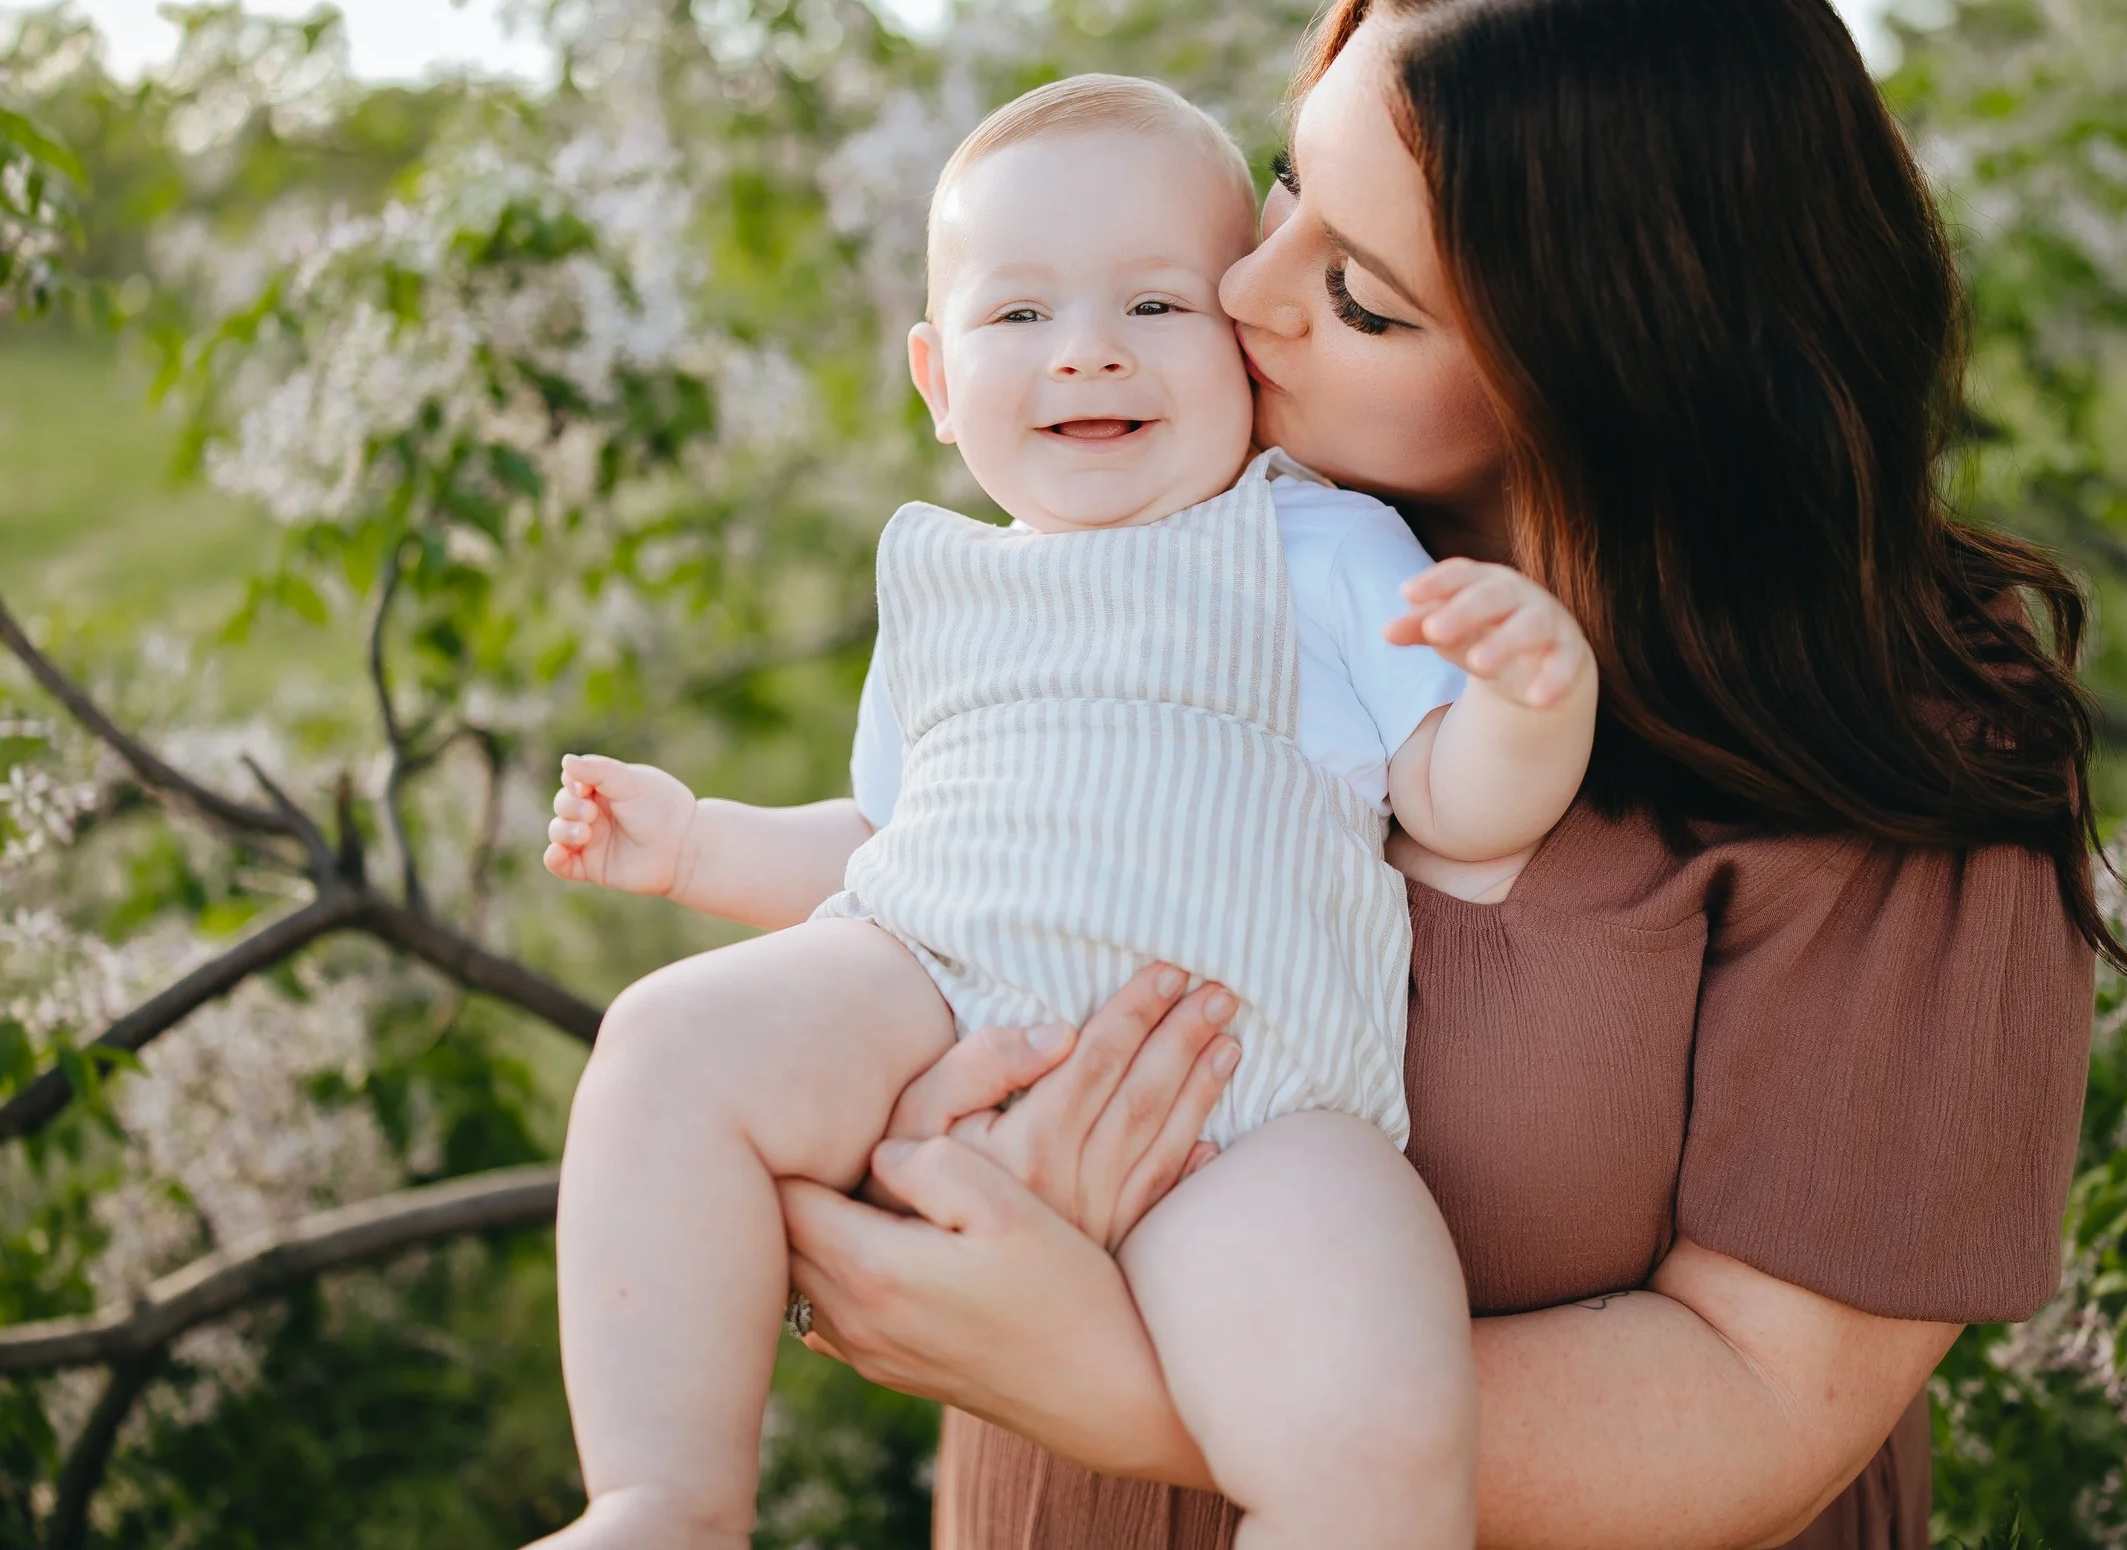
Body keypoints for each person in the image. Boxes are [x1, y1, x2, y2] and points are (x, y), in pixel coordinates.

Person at [770, 0, 2127, 1547]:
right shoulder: (1177, 531)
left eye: (1361, 295)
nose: (1242, 292)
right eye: (1285, 189)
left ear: (1610, 370)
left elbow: (1761, 1397)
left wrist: (1122, 1374)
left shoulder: (1908, 749)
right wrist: (900, 1165)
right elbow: (921, 927)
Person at [532, 74, 1599, 1550]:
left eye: (1157, 308)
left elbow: (1454, 807)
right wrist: (703, 844)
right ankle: (663, 1500)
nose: (1088, 353)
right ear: (934, 376)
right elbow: (889, 846)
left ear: (1246, 341)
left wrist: (1532, 704)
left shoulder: (1313, 541)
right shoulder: (949, 588)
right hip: (942, 1003)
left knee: (1381, 1409)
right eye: (1019, 317)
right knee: (665, 1040)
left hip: (1250, 1094)